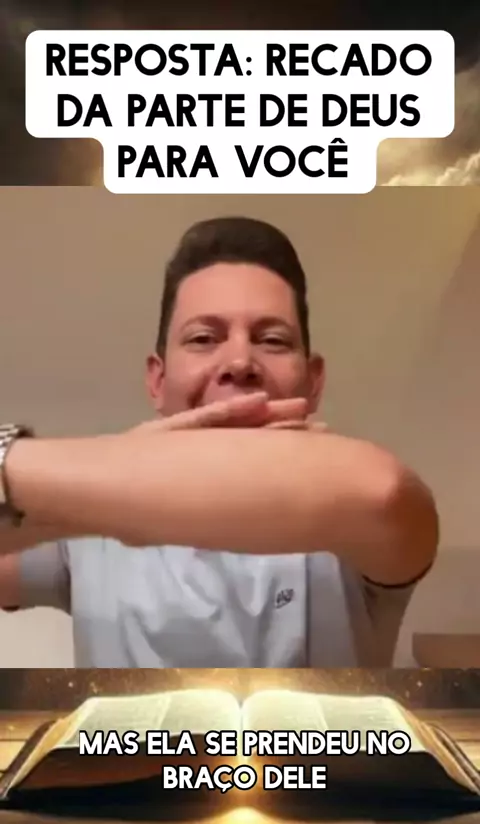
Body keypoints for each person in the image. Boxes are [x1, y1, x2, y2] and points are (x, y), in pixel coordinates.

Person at [0, 217, 438, 667]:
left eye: (272, 340)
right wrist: (105, 477)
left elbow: (385, 494)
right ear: (158, 380)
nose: (240, 361)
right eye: (203, 338)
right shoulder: (85, 530)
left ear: (313, 381)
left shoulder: (357, 513)